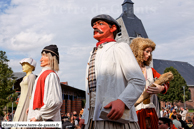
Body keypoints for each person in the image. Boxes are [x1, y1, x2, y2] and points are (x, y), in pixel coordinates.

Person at [79, 14, 145, 129]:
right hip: (93, 118)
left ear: (113, 28)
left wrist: (122, 101)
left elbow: (138, 80)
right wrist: (85, 116)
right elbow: (91, 91)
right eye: (94, 25)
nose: (95, 27)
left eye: (100, 24)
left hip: (115, 117)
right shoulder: (92, 54)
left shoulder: (120, 47)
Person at [130, 37, 169, 129]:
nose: (149, 54)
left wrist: (161, 88)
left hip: (150, 111)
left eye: (150, 52)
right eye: (147, 51)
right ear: (138, 50)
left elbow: (166, 81)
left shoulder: (150, 70)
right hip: (133, 111)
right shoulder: (127, 69)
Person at [27, 45, 62, 121]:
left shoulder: (51, 75)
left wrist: (37, 116)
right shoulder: (43, 75)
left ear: (52, 58)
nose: (40, 59)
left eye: (44, 56)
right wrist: (31, 108)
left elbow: (55, 102)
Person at [13, 58, 36, 122]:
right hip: (21, 101)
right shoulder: (24, 77)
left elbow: (32, 91)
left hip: (26, 102)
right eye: (22, 65)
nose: (22, 67)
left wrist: (30, 106)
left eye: (24, 65)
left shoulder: (32, 76)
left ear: (31, 66)